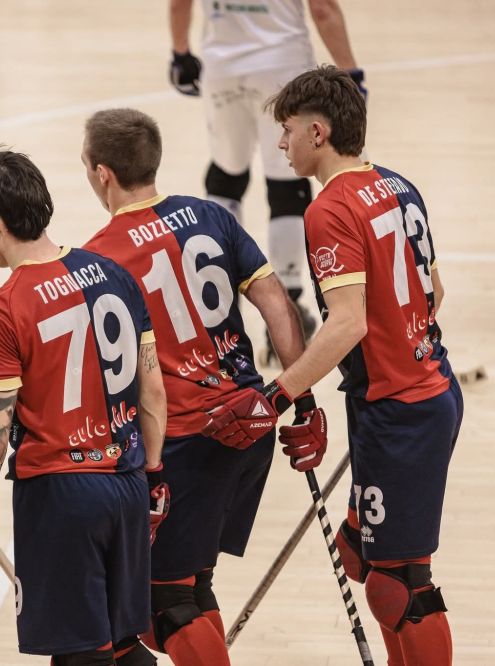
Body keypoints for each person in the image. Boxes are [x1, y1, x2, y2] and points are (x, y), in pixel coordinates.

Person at [80, 108, 329, 665]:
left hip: (187, 441)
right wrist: (302, 400)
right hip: (250, 421)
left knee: (163, 605)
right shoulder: (210, 216)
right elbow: (277, 305)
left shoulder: (98, 258)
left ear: (102, 174)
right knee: (191, 586)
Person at [265, 65, 462, 665]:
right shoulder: (398, 184)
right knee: (362, 557)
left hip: (403, 410)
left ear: (318, 132)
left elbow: (347, 323)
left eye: (288, 130)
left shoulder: (330, 209)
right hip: (421, 391)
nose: (282, 143)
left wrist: (279, 394)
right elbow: (434, 291)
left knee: (400, 585)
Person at [0, 149, 167, 666]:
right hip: (128, 482)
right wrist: (154, 475)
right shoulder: (114, 274)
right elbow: (152, 390)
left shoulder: (1, 310)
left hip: (62, 496)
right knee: (123, 644)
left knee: (80, 655)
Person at [168, 0, 364, 362]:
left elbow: (180, 3)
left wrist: (180, 53)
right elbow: (323, 9)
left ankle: (219, 301)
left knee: (225, 178)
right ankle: (288, 309)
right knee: (287, 187)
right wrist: (350, 71)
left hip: (223, 67)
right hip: (282, 64)